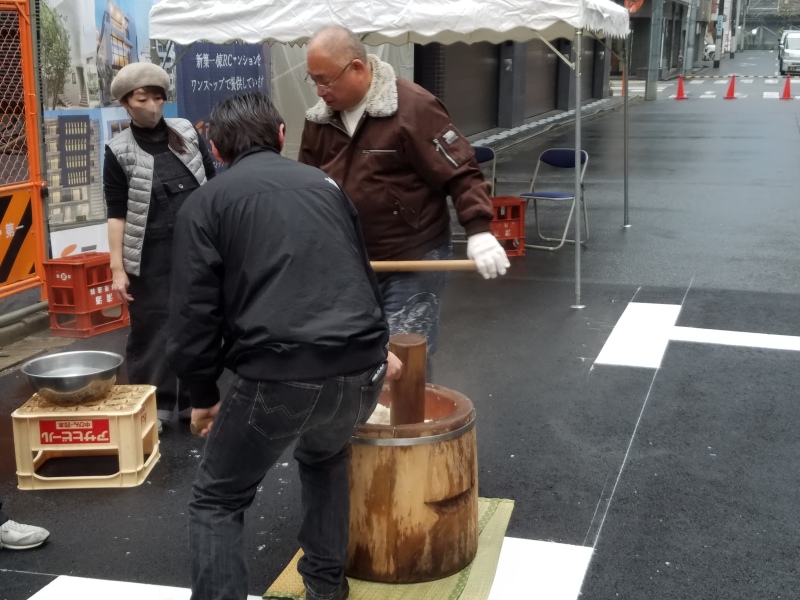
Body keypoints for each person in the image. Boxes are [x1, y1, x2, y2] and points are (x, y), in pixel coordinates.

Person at [166, 91, 401, 600]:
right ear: (279, 135)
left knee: (217, 499)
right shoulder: (326, 186)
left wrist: (202, 392)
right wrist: (381, 346)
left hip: (279, 372)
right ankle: (325, 588)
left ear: (217, 147)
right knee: (325, 461)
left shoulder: (207, 202)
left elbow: (192, 311)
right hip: (360, 367)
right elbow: (360, 270)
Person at [299, 25, 510, 365]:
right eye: (314, 81)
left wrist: (479, 229)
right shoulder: (319, 122)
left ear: (357, 67)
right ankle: (367, 419)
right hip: (351, 259)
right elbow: (308, 189)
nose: (321, 92)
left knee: (404, 354)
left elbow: (462, 172)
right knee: (358, 354)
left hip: (414, 254)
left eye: (326, 80)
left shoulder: (413, 109)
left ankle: (409, 418)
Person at [103, 62, 216, 432]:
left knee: (200, 319)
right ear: (125, 103)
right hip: (149, 253)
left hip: (197, 246)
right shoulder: (118, 150)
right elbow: (117, 213)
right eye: (142, 98)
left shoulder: (185, 131)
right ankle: (156, 402)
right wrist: (117, 269)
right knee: (153, 325)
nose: (151, 104)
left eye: (158, 96)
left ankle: (198, 399)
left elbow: (213, 186)